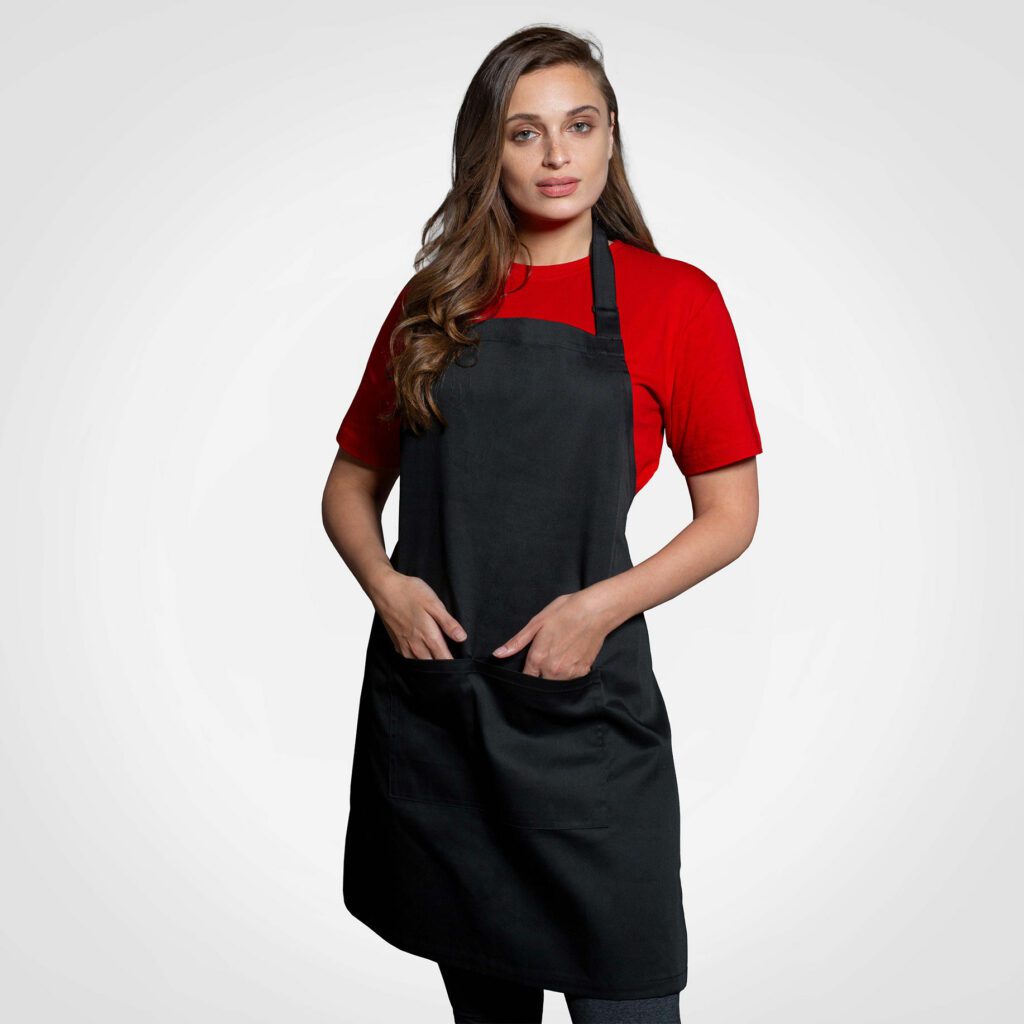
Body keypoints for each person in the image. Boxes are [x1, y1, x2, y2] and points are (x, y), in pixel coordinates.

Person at [321, 25, 763, 1024]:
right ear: (490, 150)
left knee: (629, 994)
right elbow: (349, 486)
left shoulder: (674, 300)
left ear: (610, 139)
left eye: (580, 125)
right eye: (526, 132)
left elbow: (730, 515)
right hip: (443, 713)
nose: (557, 155)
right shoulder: (435, 303)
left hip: (582, 711)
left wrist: (596, 610)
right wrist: (387, 587)